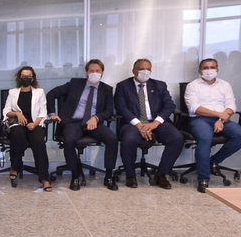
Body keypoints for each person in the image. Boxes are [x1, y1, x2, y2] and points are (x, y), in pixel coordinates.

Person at [47, 58, 119, 191]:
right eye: (91, 71)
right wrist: (52, 113)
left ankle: (109, 176)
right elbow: (51, 94)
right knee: (69, 140)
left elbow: (109, 111)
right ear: (86, 73)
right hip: (74, 122)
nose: (94, 73)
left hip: (94, 123)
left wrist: (96, 118)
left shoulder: (107, 89)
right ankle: (75, 176)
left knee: (112, 139)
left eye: (97, 71)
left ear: (102, 73)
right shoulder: (75, 84)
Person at [114, 59, 183, 189]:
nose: (145, 72)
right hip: (133, 123)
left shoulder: (159, 85)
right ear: (134, 71)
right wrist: (138, 124)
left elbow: (169, 105)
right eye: (141, 69)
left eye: (148, 69)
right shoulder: (123, 86)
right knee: (128, 140)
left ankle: (161, 174)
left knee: (177, 138)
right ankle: (130, 175)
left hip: (157, 122)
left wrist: (156, 122)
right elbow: (121, 107)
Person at [184, 58, 241, 193]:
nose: (209, 70)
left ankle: (213, 161)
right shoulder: (193, 86)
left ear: (217, 70)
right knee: (205, 138)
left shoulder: (225, 85)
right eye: (206, 68)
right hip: (200, 119)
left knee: (239, 134)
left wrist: (221, 119)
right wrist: (219, 115)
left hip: (222, 119)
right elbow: (194, 108)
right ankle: (203, 179)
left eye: (212, 67)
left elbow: (231, 105)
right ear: (200, 71)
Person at [2, 66, 52, 191]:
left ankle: (44, 178)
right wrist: (17, 114)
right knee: (17, 136)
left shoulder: (39, 92)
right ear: (19, 78)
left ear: (33, 78)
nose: (26, 78)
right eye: (23, 76)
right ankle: (15, 167)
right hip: (18, 124)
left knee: (38, 142)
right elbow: (6, 111)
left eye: (28, 76)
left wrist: (35, 124)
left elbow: (43, 113)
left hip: (35, 124)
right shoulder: (12, 92)